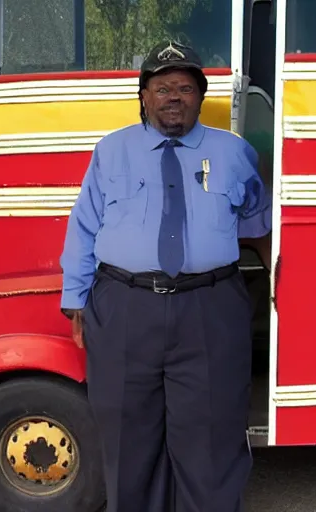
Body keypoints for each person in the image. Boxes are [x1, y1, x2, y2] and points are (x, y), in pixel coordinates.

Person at [60, 41, 272, 512]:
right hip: (125, 308)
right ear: (144, 96)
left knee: (212, 442)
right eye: (162, 87)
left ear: (200, 96)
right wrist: (76, 300)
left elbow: (259, 224)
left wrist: (281, 287)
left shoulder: (234, 152)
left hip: (209, 310)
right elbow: (84, 224)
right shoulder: (111, 151)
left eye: (184, 87)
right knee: (128, 441)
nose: (173, 96)